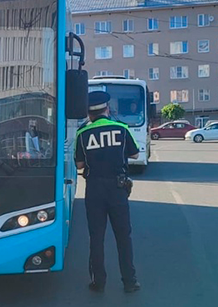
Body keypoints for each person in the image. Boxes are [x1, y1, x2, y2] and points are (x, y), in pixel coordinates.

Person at [74, 91, 141, 293]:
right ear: (107, 109)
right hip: (117, 188)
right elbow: (136, 153)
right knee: (123, 236)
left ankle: (98, 282)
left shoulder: (82, 133)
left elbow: (79, 164)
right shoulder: (121, 128)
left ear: (89, 114)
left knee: (96, 237)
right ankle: (130, 282)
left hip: (94, 189)